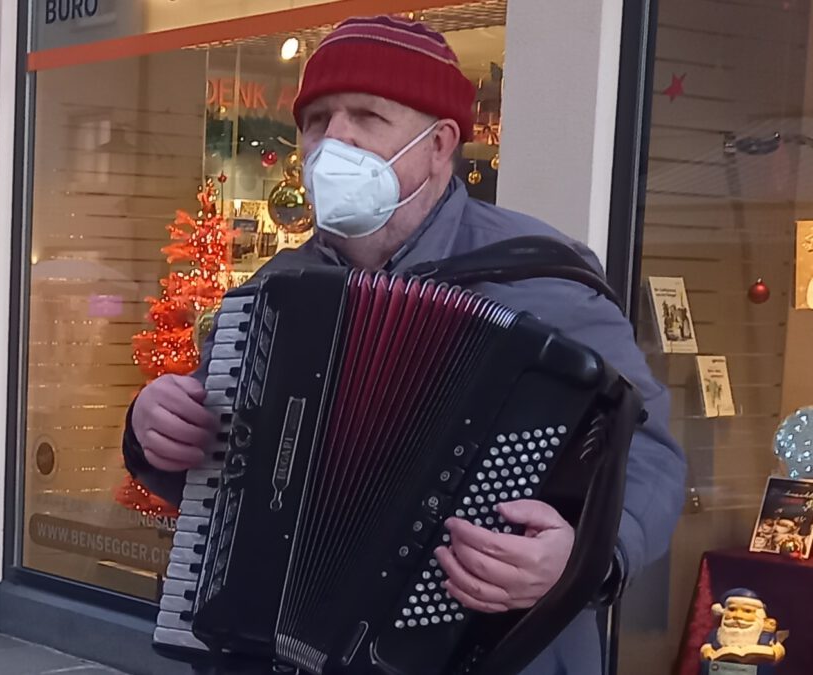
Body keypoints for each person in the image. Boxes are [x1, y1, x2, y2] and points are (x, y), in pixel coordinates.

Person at [121, 14, 686, 675]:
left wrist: (589, 555)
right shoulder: (279, 288)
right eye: (317, 120)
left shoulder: (540, 273)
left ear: (441, 143)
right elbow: (214, 459)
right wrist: (148, 428)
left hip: (490, 650)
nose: (334, 139)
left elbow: (647, 452)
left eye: (366, 115)